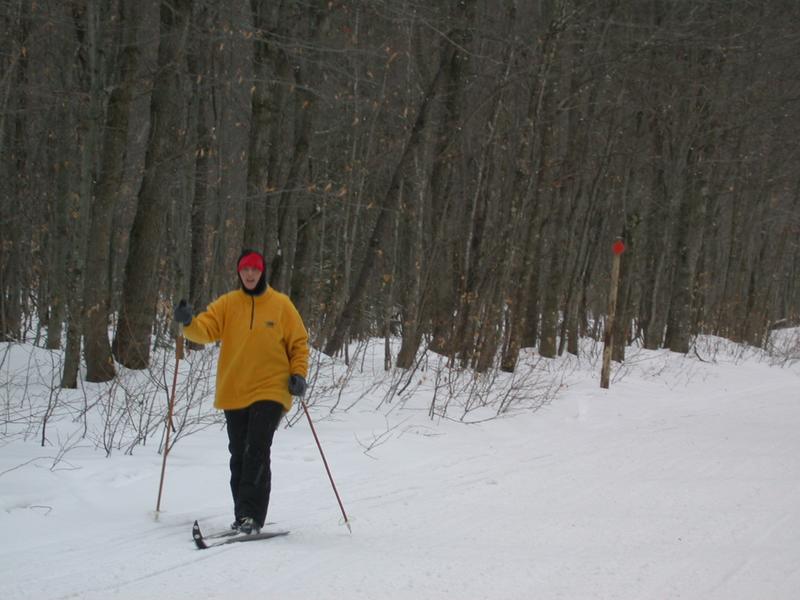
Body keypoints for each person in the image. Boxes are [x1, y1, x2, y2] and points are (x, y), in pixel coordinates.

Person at [173, 249, 309, 535]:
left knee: (256, 449)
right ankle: (242, 515)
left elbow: (298, 343)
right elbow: (205, 331)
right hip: (235, 389)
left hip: (272, 388)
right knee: (238, 453)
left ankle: (252, 516)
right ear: (239, 272)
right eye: (245, 270)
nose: (250, 275)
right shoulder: (228, 304)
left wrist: (299, 374)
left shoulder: (281, 305)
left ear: (262, 273)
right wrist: (188, 322)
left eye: (255, 270)